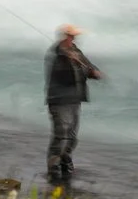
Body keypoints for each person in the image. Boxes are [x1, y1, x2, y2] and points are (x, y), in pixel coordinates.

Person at [44, 24, 103, 187]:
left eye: (74, 36)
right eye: (71, 36)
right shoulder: (56, 55)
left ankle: (66, 165)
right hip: (59, 101)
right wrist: (69, 60)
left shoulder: (75, 51)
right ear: (64, 37)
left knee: (71, 136)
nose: (73, 39)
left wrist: (94, 72)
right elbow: (62, 78)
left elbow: (88, 67)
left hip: (74, 100)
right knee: (60, 135)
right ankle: (53, 171)